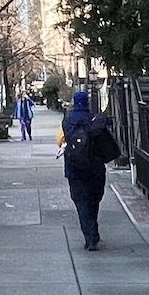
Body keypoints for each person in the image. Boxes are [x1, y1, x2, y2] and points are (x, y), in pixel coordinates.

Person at [59, 88, 118, 250]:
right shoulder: (95, 121)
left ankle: (90, 235)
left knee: (81, 202)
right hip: (95, 167)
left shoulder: (67, 121)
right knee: (94, 200)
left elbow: (63, 139)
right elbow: (106, 143)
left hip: (74, 168)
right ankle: (93, 230)